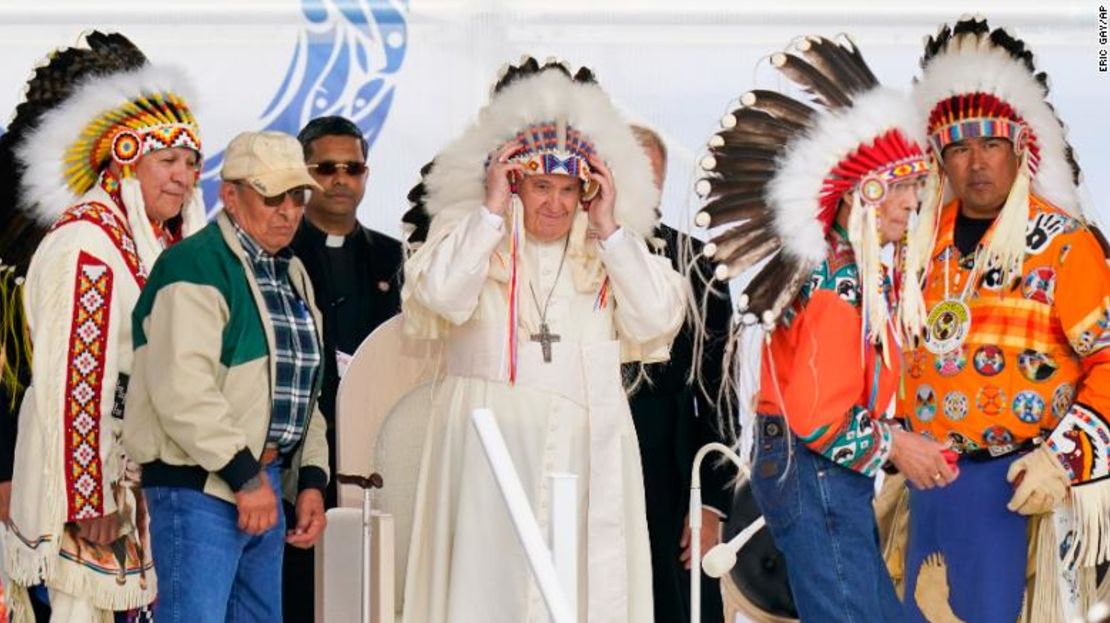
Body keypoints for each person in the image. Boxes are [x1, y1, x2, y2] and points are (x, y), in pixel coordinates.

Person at [397, 58, 686, 623]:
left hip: (585, 455)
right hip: (489, 450)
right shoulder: (470, 236)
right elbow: (440, 297)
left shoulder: (607, 250)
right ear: (513, 182)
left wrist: (608, 226)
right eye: (540, 186)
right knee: (487, 598)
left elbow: (656, 320)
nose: (554, 203)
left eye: (568, 189)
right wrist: (489, 213)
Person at [692, 35, 947, 622]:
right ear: (866, 192)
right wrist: (896, 446)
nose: (914, 201)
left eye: (916, 186)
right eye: (903, 186)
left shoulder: (848, 272)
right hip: (815, 470)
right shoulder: (837, 283)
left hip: (817, 472)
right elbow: (817, 415)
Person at [899, 16, 1110, 622]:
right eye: (959, 147)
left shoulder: (1065, 245)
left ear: (1019, 149)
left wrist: (1064, 457)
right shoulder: (914, 246)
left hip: (1022, 489)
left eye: (991, 144)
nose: (976, 163)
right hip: (926, 491)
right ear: (940, 157)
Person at [0, 32, 206, 622]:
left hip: (122, 470)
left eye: (191, 163)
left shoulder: (140, 245)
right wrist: (86, 496)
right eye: (166, 161)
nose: (183, 178)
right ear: (125, 161)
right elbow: (76, 379)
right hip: (81, 480)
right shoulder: (88, 243)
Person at [122, 131, 330, 621]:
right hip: (203, 484)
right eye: (272, 196)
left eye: (296, 195)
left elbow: (305, 387)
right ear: (230, 196)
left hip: (260, 479)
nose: (288, 210)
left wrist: (311, 479)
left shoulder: (292, 271)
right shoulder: (193, 264)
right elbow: (182, 389)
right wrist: (245, 475)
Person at [282, 115, 403, 622]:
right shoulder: (280, 252)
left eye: (352, 167)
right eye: (326, 167)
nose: (340, 179)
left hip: (377, 450)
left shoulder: (393, 258)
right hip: (301, 452)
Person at [625, 124, 735, 622]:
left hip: (672, 473)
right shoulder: (567, 260)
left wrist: (712, 503)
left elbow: (721, 397)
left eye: (652, 180)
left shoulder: (699, 265)